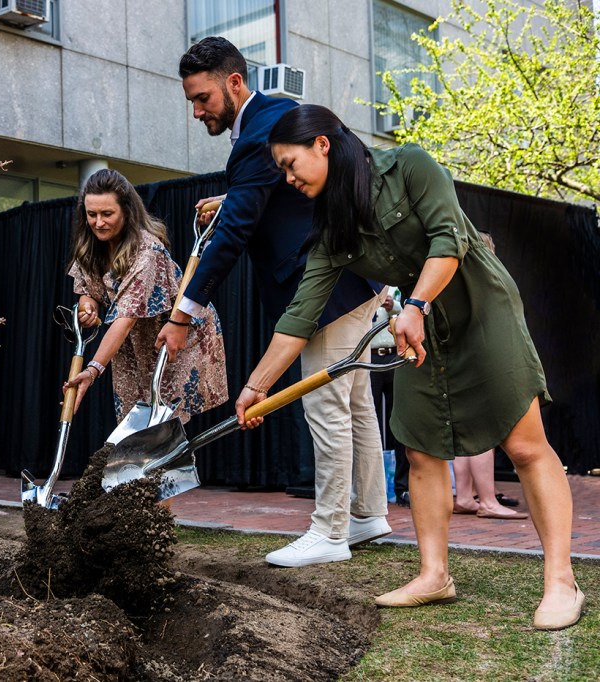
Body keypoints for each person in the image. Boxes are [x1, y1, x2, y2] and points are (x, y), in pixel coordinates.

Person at [236, 103, 583, 629]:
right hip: (416, 330)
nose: (287, 178)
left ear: (322, 145)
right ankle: (434, 575)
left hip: (480, 312)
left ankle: (562, 582)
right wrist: (256, 386)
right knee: (419, 449)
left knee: (526, 444)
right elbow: (302, 313)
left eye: (289, 164)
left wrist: (415, 305)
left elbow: (450, 238)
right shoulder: (334, 228)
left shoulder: (410, 166)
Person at [159, 36, 390, 567]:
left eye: (203, 99)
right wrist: (231, 197)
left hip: (324, 285)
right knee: (354, 402)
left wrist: (182, 314)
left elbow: (235, 234)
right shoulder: (280, 119)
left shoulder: (260, 133)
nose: (197, 111)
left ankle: (330, 532)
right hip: (358, 278)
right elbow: (273, 193)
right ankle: (367, 513)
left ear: (234, 83)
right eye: (192, 101)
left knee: (326, 405)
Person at [63, 168, 228, 426]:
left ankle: (170, 465)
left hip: (179, 335)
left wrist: (93, 370)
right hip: (134, 342)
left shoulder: (147, 251)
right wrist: (88, 307)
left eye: (107, 214)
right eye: (91, 214)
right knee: (134, 420)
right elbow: (88, 289)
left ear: (127, 212)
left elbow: (125, 318)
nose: (98, 222)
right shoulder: (92, 244)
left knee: (164, 424)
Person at [451, 233, 527, 520]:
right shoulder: (484, 279)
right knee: (484, 435)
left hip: (458, 361)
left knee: (464, 436)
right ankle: (488, 500)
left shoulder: (451, 277)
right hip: (480, 361)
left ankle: (465, 496)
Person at [369, 286, 403, 503]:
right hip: (369, 357)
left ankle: (402, 487)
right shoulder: (362, 279)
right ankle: (371, 488)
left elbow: (411, 310)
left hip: (395, 355)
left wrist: (393, 307)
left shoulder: (398, 280)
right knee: (368, 421)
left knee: (399, 421)